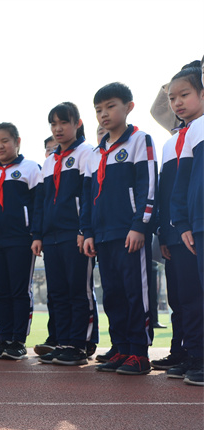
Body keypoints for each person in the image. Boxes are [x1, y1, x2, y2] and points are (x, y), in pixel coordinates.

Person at [81, 82, 157, 375]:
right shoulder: (95, 153)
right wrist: (87, 231)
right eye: (99, 109)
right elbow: (88, 198)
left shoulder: (140, 140)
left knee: (135, 293)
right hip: (102, 235)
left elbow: (147, 184)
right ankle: (121, 348)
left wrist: (140, 225)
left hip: (129, 233)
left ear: (129, 107)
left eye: (111, 106)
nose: (104, 113)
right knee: (112, 294)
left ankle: (139, 353)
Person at [31, 103, 97, 365]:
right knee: (57, 293)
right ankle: (62, 342)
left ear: (77, 123)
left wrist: (84, 229)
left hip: (75, 234)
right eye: (53, 124)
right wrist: (37, 235)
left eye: (63, 123)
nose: (58, 129)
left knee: (78, 291)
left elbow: (89, 195)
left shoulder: (86, 153)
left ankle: (79, 345)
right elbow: (40, 202)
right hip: (51, 237)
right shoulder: (48, 162)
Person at [0, 123, 42, 361]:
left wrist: (36, 235)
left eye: (5, 141)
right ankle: (3, 338)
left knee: (19, 291)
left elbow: (37, 205)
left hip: (21, 240)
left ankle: (18, 340)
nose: (0, 146)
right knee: (0, 292)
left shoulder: (31, 168)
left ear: (17, 142)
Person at [168, 60, 204, 385]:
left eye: (185, 95)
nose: (177, 103)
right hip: (199, 226)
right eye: (172, 97)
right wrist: (181, 223)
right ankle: (198, 356)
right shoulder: (193, 131)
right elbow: (181, 185)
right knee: (194, 295)